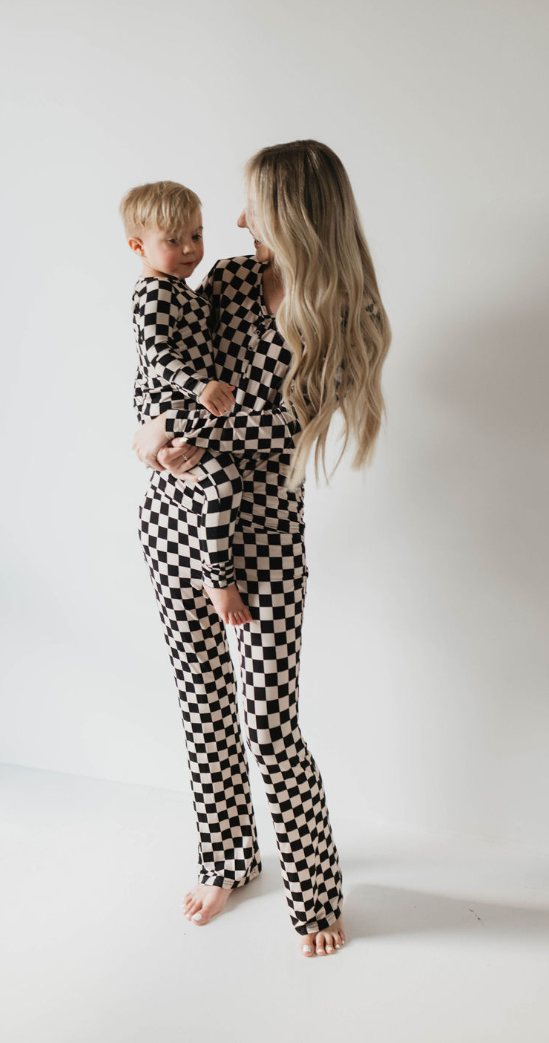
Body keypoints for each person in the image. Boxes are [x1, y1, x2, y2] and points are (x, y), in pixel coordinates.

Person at [131, 140, 392, 958]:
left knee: (271, 721)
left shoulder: (348, 315)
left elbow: (281, 425)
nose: (237, 221)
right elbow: (167, 363)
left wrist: (191, 431)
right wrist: (149, 434)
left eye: (252, 206)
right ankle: (227, 858)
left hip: (264, 540)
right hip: (175, 520)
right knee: (203, 703)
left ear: (293, 215)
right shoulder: (231, 281)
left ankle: (313, 891)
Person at [120, 180, 253, 625]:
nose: (190, 249)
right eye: (173, 240)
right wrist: (199, 387)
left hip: (187, 411)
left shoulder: (181, 291)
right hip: (169, 404)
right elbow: (156, 356)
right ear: (138, 246)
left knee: (205, 475)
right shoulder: (154, 292)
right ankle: (217, 577)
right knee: (221, 482)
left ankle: (208, 561)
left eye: (196, 235)